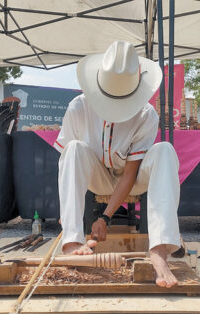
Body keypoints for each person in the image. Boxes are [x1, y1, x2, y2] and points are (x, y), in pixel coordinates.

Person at [55, 41, 181, 288]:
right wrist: (66, 212)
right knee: (74, 148)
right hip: (97, 175)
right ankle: (71, 243)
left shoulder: (146, 115)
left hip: (132, 181)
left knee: (165, 150)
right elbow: (68, 164)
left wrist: (105, 217)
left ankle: (159, 250)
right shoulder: (78, 107)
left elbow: (129, 175)